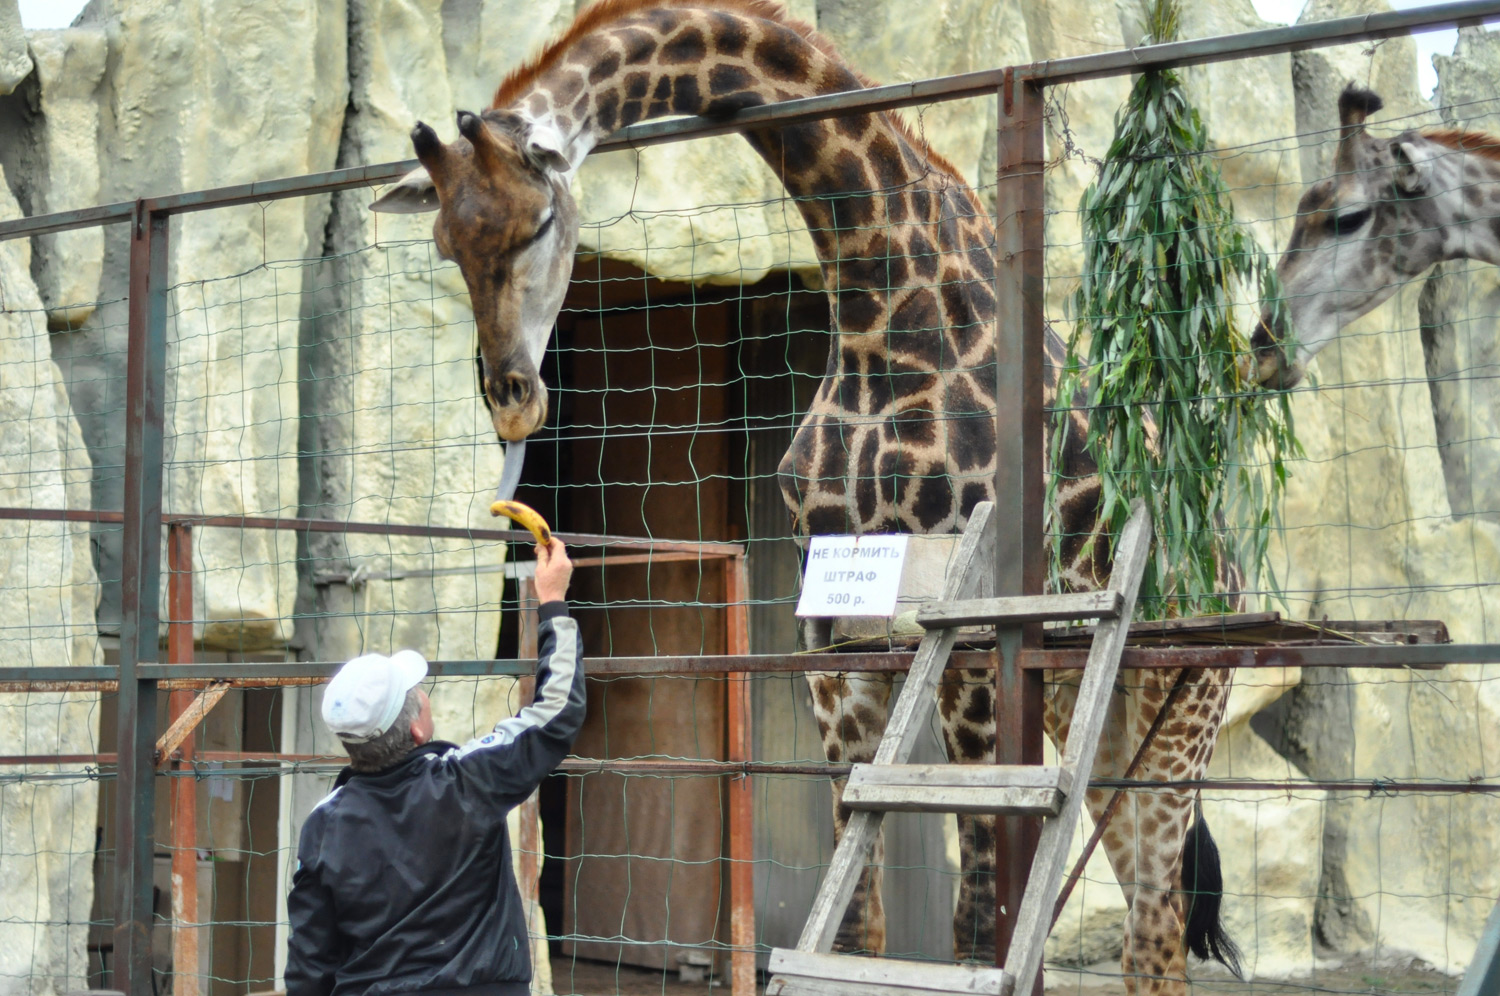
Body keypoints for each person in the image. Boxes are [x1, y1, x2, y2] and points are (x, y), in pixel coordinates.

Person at [286, 540, 581, 996]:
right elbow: (556, 714)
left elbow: (309, 964)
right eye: (416, 692)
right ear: (418, 729)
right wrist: (553, 603)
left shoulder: (323, 825)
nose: (424, 694)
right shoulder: (467, 781)